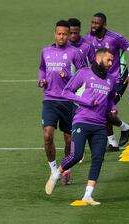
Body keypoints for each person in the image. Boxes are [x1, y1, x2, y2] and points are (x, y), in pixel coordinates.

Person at [45, 48, 117, 206]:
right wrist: (87, 101)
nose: (111, 64)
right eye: (108, 60)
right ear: (99, 59)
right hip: (82, 121)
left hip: (99, 125)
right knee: (76, 156)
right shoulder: (84, 73)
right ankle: (56, 174)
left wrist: (112, 108)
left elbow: (110, 99)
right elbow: (66, 92)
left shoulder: (111, 80)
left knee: (98, 158)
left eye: (112, 60)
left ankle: (88, 196)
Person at [38, 20, 85, 186]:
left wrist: (70, 79)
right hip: (50, 99)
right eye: (59, 34)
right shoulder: (46, 51)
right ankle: (53, 169)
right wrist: (41, 80)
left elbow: (84, 73)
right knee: (47, 134)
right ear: (55, 34)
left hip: (68, 101)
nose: (62, 37)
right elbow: (42, 68)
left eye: (65, 34)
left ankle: (66, 167)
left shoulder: (74, 53)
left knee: (68, 140)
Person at [86, 12, 129, 151]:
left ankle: (125, 128)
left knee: (104, 108)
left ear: (104, 24)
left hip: (118, 79)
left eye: (97, 23)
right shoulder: (89, 37)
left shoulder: (115, 38)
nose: (93, 25)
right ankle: (113, 143)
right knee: (102, 109)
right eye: (92, 22)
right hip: (101, 80)